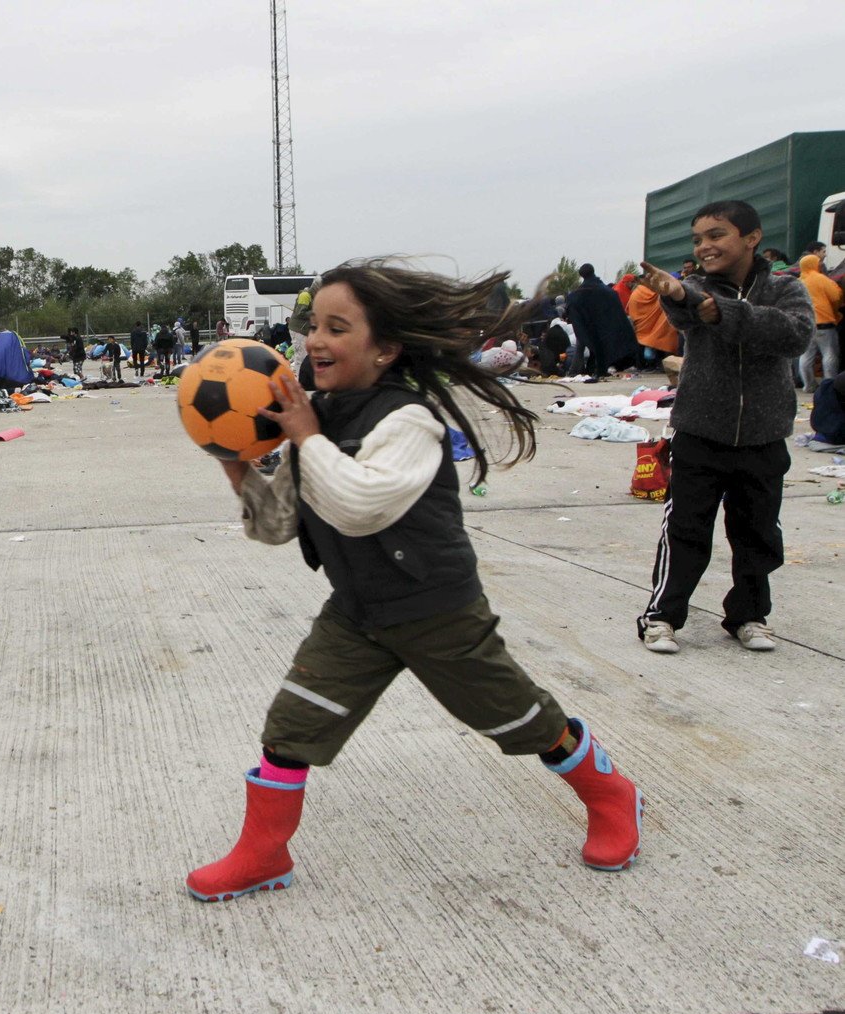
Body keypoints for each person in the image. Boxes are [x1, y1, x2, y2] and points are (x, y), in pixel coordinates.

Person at [185, 258, 643, 906]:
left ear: (385, 349)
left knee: (517, 718)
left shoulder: (409, 422)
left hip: (436, 611)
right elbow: (279, 525)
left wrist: (307, 439)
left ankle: (610, 794)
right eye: (313, 324)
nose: (314, 340)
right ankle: (263, 852)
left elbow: (358, 505)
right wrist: (237, 469)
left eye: (337, 327)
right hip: (357, 611)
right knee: (291, 725)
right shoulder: (315, 415)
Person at [634, 201, 815, 654]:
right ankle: (661, 616)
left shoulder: (786, 290)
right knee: (686, 530)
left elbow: (795, 335)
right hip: (699, 431)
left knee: (758, 533)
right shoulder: (691, 288)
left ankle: (749, 616)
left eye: (716, 235)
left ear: (752, 238)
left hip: (764, 435)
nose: (706, 246)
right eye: (698, 239)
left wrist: (726, 313)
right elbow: (687, 312)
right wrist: (678, 296)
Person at [565, 264, 639, 379]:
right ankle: (599, 369)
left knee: (581, 346)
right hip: (604, 326)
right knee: (599, 347)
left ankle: (574, 371)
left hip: (587, 327)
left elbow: (572, 306)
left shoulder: (578, 294)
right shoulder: (606, 291)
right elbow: (616, 309)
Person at [796, 253, 842, 387]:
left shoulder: (798, 282)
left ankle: (808, 385)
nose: (821, 264)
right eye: (819, 262)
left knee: (806, 357)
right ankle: (829, 384)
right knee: (829, 354)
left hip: (806, 324)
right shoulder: (821, 279)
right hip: (824, 324)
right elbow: (835, 296)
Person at [625, 277, 681, 372]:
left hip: (641, 325)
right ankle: (659, 365)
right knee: (657, 344)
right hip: (656, 324)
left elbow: (630, 309)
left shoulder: (636, 293)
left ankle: (644, 366)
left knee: (642, 346)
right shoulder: (656, 292)